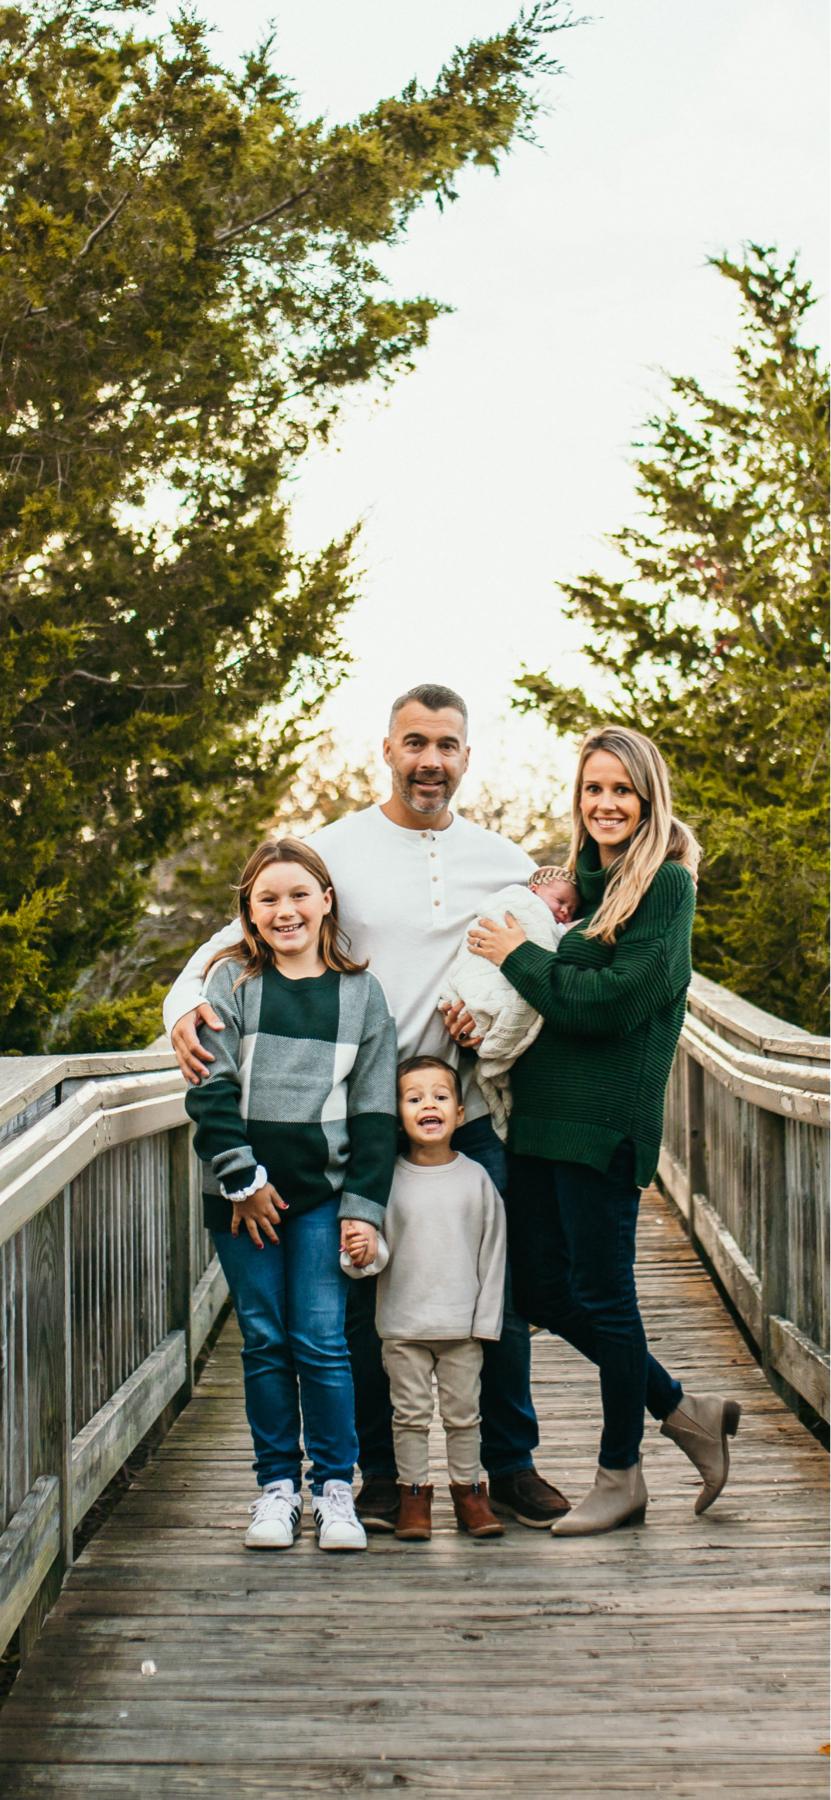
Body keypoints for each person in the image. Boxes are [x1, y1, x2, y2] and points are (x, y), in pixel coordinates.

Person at [164, 684, 570, 1533]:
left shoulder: (500, 860)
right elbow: (228, 944)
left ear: (466, 756)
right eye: (414, 742)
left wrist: (493, 1016)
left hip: (463, 1110)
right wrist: (181, 1009)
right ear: (386, 749)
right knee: (357, 1301)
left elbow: (545, 951)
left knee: (497, 1290)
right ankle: (378, 1476)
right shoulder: (333, 850)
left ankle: (508, 1464)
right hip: (355, 1118)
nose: (430, 761)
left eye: (446, 745)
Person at [462, 725, 741, 1536]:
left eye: (622, 790)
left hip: (600, 1126)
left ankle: (621, 1476)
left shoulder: (663, 886)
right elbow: (541, 1004)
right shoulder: (575, 892)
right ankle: (682, 1410)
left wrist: (516, 955)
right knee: (540, 1291)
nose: (606, 803)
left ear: (648, 800)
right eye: (594, 788)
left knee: (605, 1299)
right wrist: (479, 1014)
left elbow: (609, 1003)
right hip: (538, 1124)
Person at [184, 837, 397, 1553]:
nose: (285, 911)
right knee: (265, 1339)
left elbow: (375, 1114)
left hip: (320, 1198)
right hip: (241, 1197)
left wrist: (363, 1209)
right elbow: (210, 1088)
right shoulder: (231, 982)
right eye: (267, 898)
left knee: (322, 1341)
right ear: (248, 910)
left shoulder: (361, 995)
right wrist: (242, 1180)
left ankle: (334, 1488)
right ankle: (276, 1487)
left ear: (326, 901)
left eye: (299, 894)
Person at [342, 1056, 507, 1542]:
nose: (428, 1105)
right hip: (402, 1326)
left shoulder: (476, 1179)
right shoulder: (387, 1181)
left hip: (462, 1329)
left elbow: (494, 1255)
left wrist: (487, 1322)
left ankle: (470, 1494)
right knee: (409, 1416)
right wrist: (362, 1254)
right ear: (397, 1117)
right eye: (414, 1099)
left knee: (464, 1415)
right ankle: (413, 1495)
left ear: (460, 1112)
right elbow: (376, 1252)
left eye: (440, 1097)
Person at [441, 866, 580, 1139]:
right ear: (534, 890)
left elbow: (547, 949)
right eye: (560, 901)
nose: (565, 911)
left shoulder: (550, 920)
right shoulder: (517, 904)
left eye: (572, 909)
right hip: (477, 985)